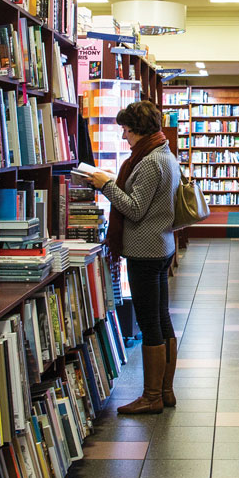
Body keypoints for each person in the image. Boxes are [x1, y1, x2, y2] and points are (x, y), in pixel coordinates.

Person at [86, 100, 180, 415]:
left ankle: (152, 396)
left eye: (126, 130)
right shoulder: (164, 154)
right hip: (161, 246)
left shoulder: (150, 162)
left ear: (138, 129)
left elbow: (135, 209)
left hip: (145, 251)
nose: (124, 136)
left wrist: (106, 185)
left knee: (150, 322)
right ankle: (165, 391)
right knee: (162, 318)